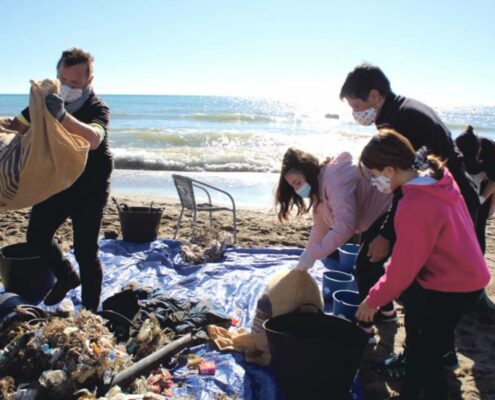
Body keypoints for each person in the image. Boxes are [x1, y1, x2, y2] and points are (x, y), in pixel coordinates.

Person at [356, 128, 490, 400]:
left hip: (455, 285)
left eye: (373, 175)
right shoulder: (435, 176)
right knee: (420, 347)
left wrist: (373, 300)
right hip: (465, 272)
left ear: (390, 170)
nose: (373, 182)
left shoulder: (415, 205)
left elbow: (402, 270)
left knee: (428, 359)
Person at [1, 48, 112, 311]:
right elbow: (20, 125)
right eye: (64, 80)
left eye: (75, 83)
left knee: (86, 252)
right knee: (36, 236)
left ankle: (89, 313)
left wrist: (63, 116)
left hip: (90, 187)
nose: (68, 87)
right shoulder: (45, 101)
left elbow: (94, 139)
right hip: (56, 182)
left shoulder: (97, 107)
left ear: (89, 81)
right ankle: (66, 276)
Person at [275, 148, 391, 275]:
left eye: (297, 182)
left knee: (367, 269)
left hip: (390, 212)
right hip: (375, 219)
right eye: (293, 186)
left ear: (308, 171)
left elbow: (345, 226)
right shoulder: (318, 191)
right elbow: (320, 225)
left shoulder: (334, 180)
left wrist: (314, 253)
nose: (297, 189)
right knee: (365, 267)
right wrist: (308, 253)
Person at [455, 125, 495, 253]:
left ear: (479, 150)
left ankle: (479, 263)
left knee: (480, 222)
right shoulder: (457, 152)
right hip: (472, 181)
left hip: (488, 181)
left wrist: (484, 199)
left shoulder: (490, 151)